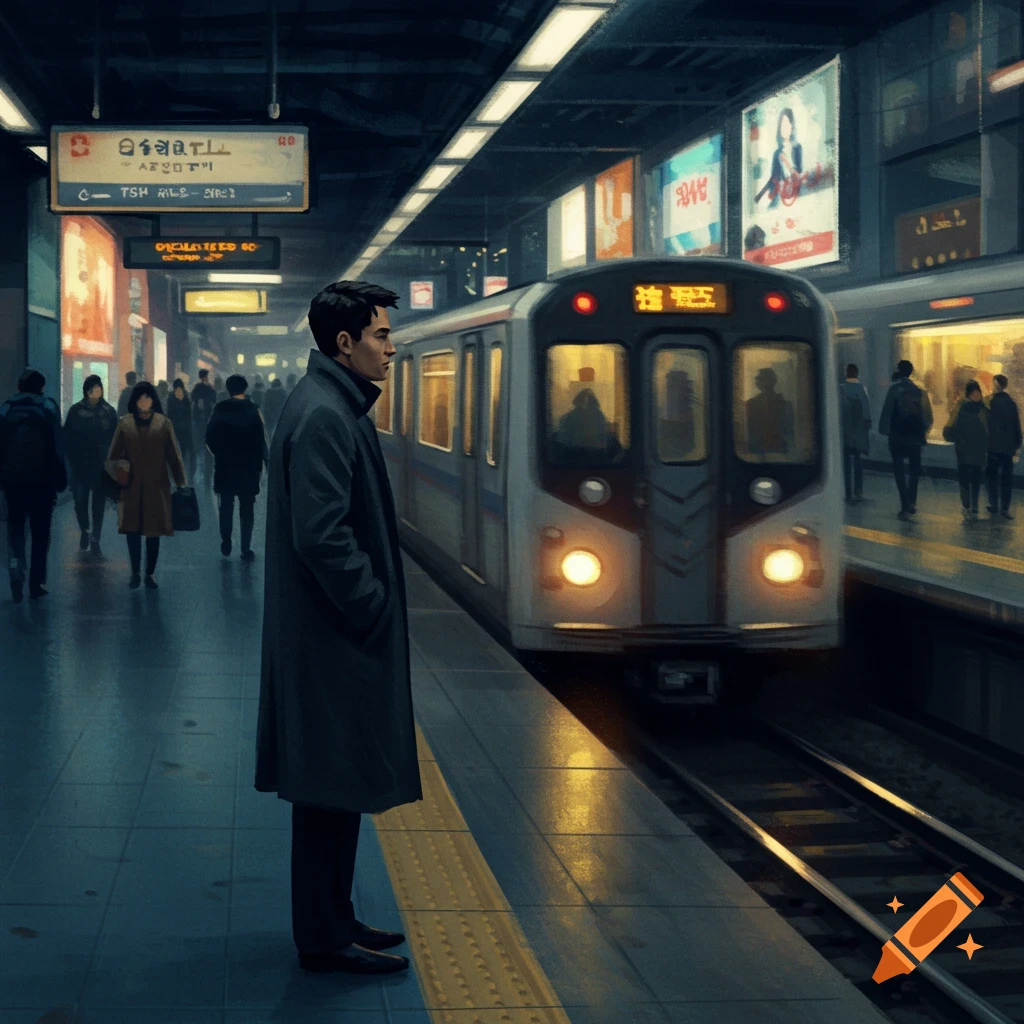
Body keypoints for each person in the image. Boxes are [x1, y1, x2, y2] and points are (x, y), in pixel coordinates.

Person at [256, 280, 421, 976]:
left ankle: (337, 917)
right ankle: (323, 937)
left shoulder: (330, 401)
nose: (391, 347)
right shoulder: (326, 414)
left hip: (329, 634)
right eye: (381, 335)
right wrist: (371, 603)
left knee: (336, 786)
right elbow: (322, 536)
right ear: (345, 342)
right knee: (327, 789)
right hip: (332, 637)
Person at [107, 381, 187, 590]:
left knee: (154, 530)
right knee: (132, 530)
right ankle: (135, 571)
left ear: (153, 400)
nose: (144, 401)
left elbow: (174, 455)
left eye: (148, 397)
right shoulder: (124, 423)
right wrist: (117, 476)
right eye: (140, 397)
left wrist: (180, 482)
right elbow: (113, 455)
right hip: (130, 484)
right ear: (135, 400)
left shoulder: (163, 423)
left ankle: (149, 573)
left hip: (156, 484)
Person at [0, 369, 66, 601]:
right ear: (41, 387)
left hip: (13, 482)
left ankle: (15, 571)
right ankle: (36, 584)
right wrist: (61, 476)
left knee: (16, 530)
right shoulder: (48, 407)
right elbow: (58, 445)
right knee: (40, 534)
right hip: (42, 482)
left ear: (20, 386)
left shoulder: (6, 408)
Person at [205, 374, 268, 560]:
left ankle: (226, 541)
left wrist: (219, 453)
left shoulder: (220, 409)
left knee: (226, 505)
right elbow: (262, 438)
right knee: (247, 508)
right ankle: (245, 548)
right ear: (245, 388)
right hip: (250, 466)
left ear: (228, 389)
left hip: (225, 465)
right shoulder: (254, 409)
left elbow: (209, 436)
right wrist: (265, 462)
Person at [64, 374, 118, 557]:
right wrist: (71, 458)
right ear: (87, 391)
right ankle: (85, 530)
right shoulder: (76, 411)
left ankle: (95, 538)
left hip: (101, 465)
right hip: (80, 464)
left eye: (99, 387)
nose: (97, 391)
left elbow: (116, 437)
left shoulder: (108, 411)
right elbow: (67, 437)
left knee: (98, 504)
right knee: (80, 501)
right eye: (94, 388)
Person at [879, 360, 933, 521]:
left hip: (897, 437)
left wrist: (884, 430)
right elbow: (928, 417)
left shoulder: (894, 390)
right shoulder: (920, 391)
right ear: (911, 371)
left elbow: (887, 412)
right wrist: (923, 433)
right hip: (915, 439)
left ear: (899, 370)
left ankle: (905, 504)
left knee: (899, 472)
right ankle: (912, 501)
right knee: (914, 472)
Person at [944, 380, 988, 520]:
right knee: (970, 478)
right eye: (974, 393)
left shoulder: (964, 407)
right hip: (969, 449)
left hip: (971, 449)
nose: (976, 396)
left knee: (972, 479)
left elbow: (950, 426)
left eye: (977, 393)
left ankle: (971, 505)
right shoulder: (982, 409)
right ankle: (969, 504)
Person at [985, 374, 1021, 519]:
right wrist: (1017, 443)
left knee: (992, 477)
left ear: (996, 385)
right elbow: (1016, 425)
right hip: (1008, 448)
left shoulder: (991, 403)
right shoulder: (1011, 404)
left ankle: (994, 504)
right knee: (1006, 479)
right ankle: (1005, 508)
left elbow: (987, 424)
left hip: (993, 447)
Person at [756, 107, 802, 208]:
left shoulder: (797, 148)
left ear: (791, 126)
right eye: (782, 125)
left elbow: (799, 174)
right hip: (782, 197)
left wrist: (787, 163)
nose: (784, 128)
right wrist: (760, 195)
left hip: (796, 196)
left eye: (787, 124)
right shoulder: (777, 154)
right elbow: (773, 178)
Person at [840, 364, 871, 503]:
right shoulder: (862, 389)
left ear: (846, 373)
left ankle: (847, 492)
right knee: (858, 462)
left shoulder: (841, 389)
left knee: (846, 463)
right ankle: (858, 490)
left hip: (845, 431)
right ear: (857, 373)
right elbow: (867, 411)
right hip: (858, 431)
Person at [745, 367, 794, 457]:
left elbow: (788, 430)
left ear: (769, 381)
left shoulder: (785, 404)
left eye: (759, 379)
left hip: (777, 449)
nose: (756, 382)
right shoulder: (751, 403)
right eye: (757, 379)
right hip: (760, 448)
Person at [191, 369, 218, 492]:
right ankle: (207, 470)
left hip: (199, 421)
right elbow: (214, 401)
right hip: (207, 419)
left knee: (200, 442)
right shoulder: (209, 388)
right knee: (207, 444)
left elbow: (193, 399)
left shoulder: (196, 388)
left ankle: (201, 466)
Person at [166, 378, 194, 480]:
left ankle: (176, 472)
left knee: (175, 449)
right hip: (185, 428)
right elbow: (189, 413)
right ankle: (185, 472)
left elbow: (169, 413)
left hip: (175, 427)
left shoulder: (171, 397)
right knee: (184, 449)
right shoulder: (186, 396)